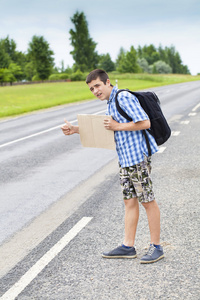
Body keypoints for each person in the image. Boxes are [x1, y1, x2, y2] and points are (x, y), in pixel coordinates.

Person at [61, 69, 164, 264]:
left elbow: (144, 122)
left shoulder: (123, 97)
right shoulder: (110, 103)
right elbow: (104, 129)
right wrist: (75, 130)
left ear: (108, 82)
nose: (95, 91)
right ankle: (128, 246)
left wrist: (117, 126)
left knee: (147, 201)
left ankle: (156, 247)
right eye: (92, 89)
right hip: (125, 160)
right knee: (129, 202)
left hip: (137, 158)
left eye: (97, 86)